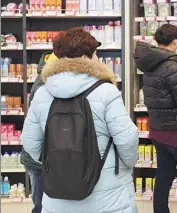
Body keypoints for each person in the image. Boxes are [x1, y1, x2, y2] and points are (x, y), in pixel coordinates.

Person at [21, 27, 138, 213]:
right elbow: (127, 138)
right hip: (106, 196)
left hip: (57, 194)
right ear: (86, 58)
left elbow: (29, 140)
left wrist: (57, 162)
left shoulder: (43, 92)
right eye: (96, 54)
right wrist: (123, 166)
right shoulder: (106, 91)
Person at [134, 24, 177, 213]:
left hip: (157, 129)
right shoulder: (172, 65)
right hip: (176, 131)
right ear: (175, 42)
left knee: (163, 176)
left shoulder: (149, 63)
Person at [20, 51, 58, 213]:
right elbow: (31, 136)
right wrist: (42, 159)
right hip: (40, 161)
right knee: (41, 206)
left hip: (45, 158)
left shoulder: (48, 79)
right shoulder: (45, 85)